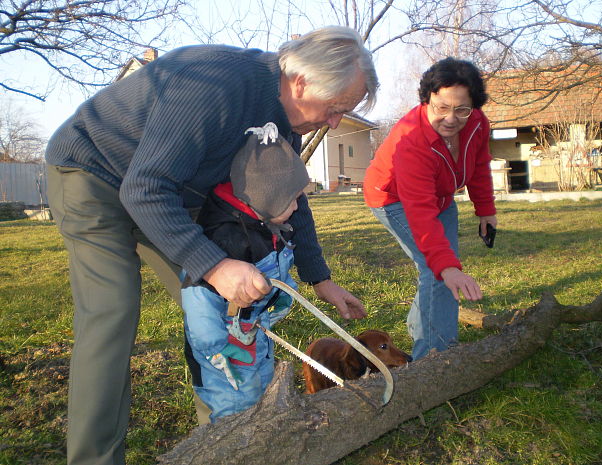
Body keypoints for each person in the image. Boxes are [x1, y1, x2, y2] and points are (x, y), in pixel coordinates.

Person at [45, 25, 377, 465]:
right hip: (94, 176)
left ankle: (229, 436)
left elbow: (292, 200)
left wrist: (321, 279)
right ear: (300, 82)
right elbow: (143, 189)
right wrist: (215, 266)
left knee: (218, 313)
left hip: (172, 196)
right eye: (335, 108)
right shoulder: (213, 84)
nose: (335, 122)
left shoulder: (286, 125)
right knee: (112, 317)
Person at [363, 57, 497, 361]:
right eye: (442, 108)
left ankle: (421, 326)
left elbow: (478, 165)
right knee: (439, 271)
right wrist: (446, 267)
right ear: (427, 100)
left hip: (441, 197)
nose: (451, 118)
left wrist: (486, 210)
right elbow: (420, 212)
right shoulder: (411, 141)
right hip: (393, 198)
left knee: (444, 264)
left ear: (474, 107)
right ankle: (435, 359)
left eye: (461, 109)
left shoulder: (477, 123)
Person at [182, 124, 309, 423]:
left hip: (254, 335)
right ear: (268, 197)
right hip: (223, 354)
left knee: (261, 392)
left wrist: (281, 295)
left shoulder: (266, 226)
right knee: (235, 409)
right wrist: (217, 350)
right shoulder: (225, 240)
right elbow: (197, 300)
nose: (297, 206)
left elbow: (276, 266)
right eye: (292, 199)